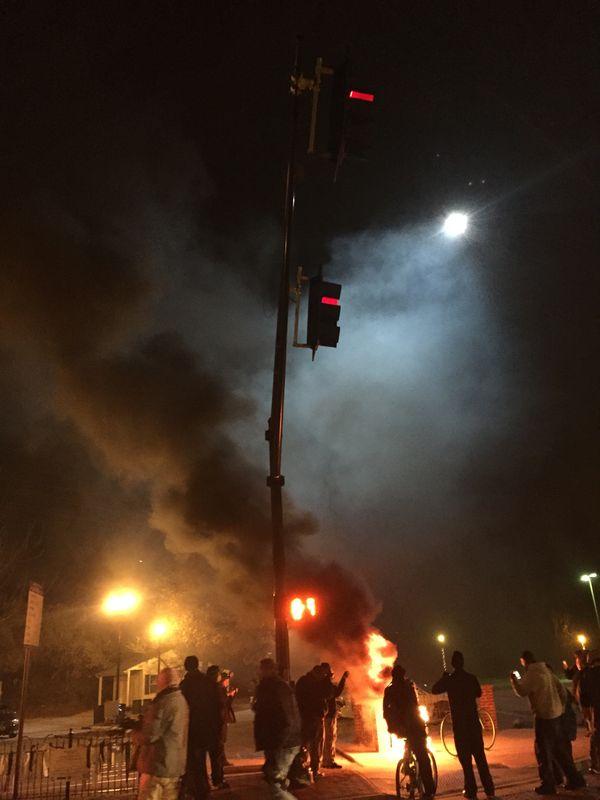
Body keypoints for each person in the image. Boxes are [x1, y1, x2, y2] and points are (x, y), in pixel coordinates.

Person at [510, 650, 586, 795]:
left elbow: (522, 691)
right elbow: (562, 690)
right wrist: (561, 707)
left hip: (543, 717)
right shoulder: (546, 670)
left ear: (524, 661)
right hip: (556, 716)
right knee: (559, 750)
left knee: (543, 752)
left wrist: (514, 681)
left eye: (522, 662)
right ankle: (575, 779)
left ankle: (548, 784)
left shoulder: (532, 674)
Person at [432, 651, 495, 799]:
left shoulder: (450, 680)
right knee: (481, 759)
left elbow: (434, 689)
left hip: (460, 727)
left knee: (466, 763)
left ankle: (471, 791)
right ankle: (490, 790)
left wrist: (444, 678)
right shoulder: (471, 678)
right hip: (473, 724)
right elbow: (479, 693)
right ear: (463, 662)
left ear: (453, 664)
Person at [134, 666, 188, 800]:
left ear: (162, 682)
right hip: (174, 766)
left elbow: (150, 735)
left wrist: (134, 734)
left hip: (157, 765)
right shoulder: (182, 701)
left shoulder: (162, 703)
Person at [383, 663, 435, 800]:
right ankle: (429, 791)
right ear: (403, 675)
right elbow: (415, 705)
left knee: (410, 748)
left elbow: (385, 712)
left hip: (400, 727)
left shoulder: (389, 690)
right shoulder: (408, 686)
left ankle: (407, 767)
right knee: (423, 758)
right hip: (415, 727)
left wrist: (391, 726)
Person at [253, 657, 302, 800]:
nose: (259, 671)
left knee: (275, 784)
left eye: (262, 669)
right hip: (277, 741)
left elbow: (287, 716)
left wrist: (280, 743)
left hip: (282, 742)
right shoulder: (270, 686)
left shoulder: (276, 687)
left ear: (270, 670)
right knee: (276, 780)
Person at [179, 656, 218, 799]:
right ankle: (203, 788)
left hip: (192, 730)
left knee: (193, 763)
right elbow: (216, 705)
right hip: (206, 728)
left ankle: (197, 789)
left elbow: (183, 708)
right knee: (200, 761)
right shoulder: (208, 682)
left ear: (186, 667)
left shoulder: (185, 685)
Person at [294, 664, 329, 780]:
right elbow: (329, 693)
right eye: (323, 675)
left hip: (305, 717)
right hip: (315, 717)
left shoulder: (302, 681)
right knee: (316, 744)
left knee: (305, 743)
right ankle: (315, 769)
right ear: (318, 674)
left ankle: (301, 768)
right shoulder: (316, 684)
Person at [320, 663, 349, 769]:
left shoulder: (321, 683)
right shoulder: (326, 684)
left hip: (325, 714)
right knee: (329, 738)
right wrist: (344, 678)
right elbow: (336, 693)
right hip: (328, 715)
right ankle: (328, 761)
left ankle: (325, 760)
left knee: (326, 738)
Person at [206, 664, 229, 789]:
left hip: (205, 726)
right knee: (216, 755)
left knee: (208, 755)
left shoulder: (204, 689)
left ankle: (208, 780)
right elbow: (220, 707)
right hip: (215, 727)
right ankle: (218, 779)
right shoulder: (217, 689)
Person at [579, 650, 600, 774]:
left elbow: (583, 696)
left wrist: (585, 711)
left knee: (596, 735)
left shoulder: (587, 675)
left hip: (595, 709)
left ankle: (595, 763)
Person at [220, 670, 238, 766]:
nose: (228, 681)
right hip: (221, 717)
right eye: (227, 679)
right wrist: (230, 695)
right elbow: (224, 703)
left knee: (222, 739)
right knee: (221, 739)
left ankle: (222, 759)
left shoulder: (221, 689)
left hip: (222, 717)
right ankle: (221, 760)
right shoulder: (220, 689)